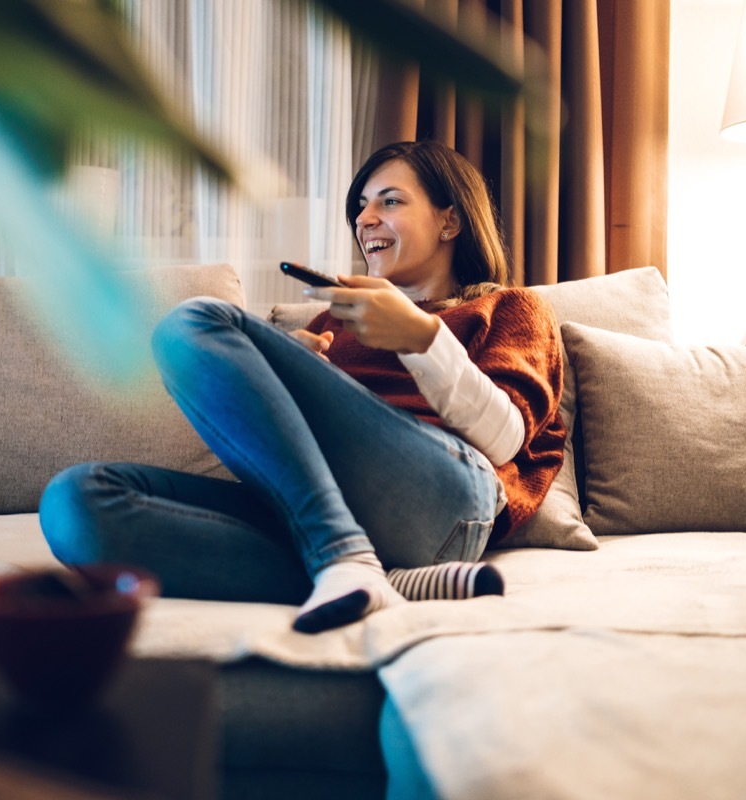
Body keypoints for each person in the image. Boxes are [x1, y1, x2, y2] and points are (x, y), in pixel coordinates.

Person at [40, 140, 565, 634]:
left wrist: (419, 337)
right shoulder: (329, 322)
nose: (365, 219)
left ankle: (341, 554)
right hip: (331, 513)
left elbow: (505, 440)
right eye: (360, 205)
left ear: (450, 219)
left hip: (445, 499)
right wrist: (281, 369)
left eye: (390, 200)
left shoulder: (509, 308)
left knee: (191, 323)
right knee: (76, 502)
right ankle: (376, 573)